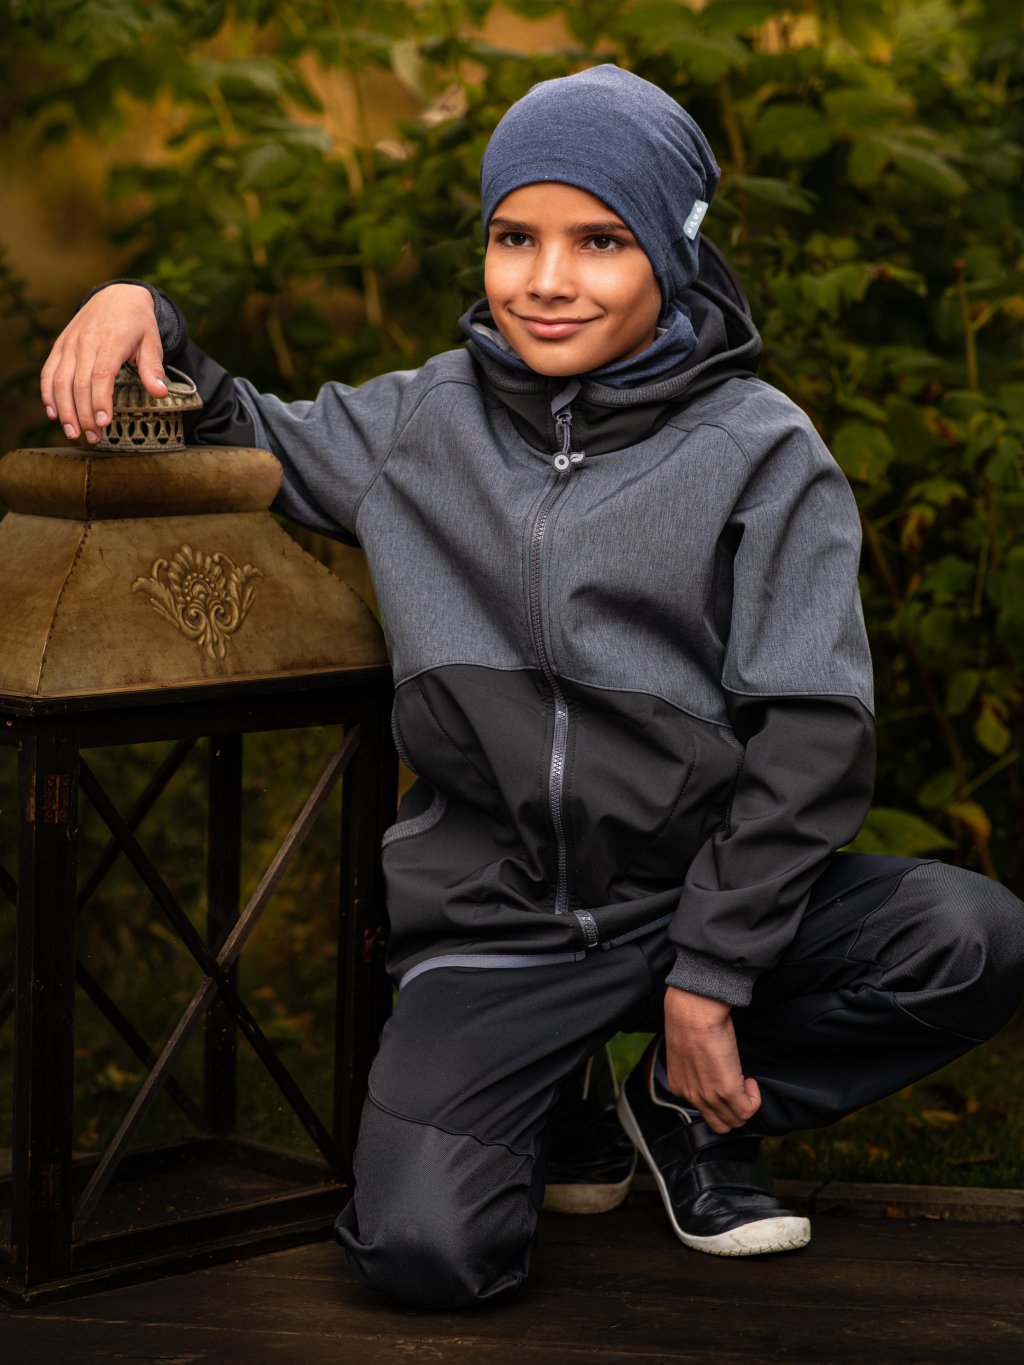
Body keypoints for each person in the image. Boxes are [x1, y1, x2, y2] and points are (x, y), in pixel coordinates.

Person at [41, 66, 1024, 1308]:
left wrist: (711, 975)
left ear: (673, 250)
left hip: (704, 894)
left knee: (968, 939)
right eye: (515, 236)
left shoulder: (760, 450)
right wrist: (144, 311)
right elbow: (239, 428)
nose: (546, 280)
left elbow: (811, 739)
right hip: (501, 927)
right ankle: (561, 1093)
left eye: (599, 240)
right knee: (423, 1255)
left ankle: (680, 1105)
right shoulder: (422, 424)